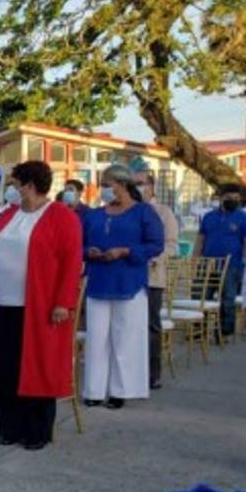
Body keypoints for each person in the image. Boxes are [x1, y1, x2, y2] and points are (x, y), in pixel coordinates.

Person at [0, 160, 82, 450]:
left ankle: (37, 430)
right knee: (6, 368)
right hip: (2, 302)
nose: (13, 189)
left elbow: (72, 263)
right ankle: (9, 427)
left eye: (17, 184)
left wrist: (63, 302)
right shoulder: (8, 216)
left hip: (38, 306)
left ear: (29, 186)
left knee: (36, 367)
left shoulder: (61, 216)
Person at [81, 164, 164, 409]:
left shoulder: (143, 213)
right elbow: (80, 244)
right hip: (98, 282)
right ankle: (94, 390)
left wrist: (126, 251)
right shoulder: (94, 215)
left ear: (122, 184)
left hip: (129, 283)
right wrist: (90, 252)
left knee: (124, 338)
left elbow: (155, 244)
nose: (104, 190)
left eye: (107, 185)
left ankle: (120, 390)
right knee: (96, 338)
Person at [134, 169, 179, 389]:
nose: (138, 187)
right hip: (129, 276)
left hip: (152, 277)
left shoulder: (163, 212)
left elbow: (170, 244)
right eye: (134, 183)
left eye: (141, 183)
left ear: (151, 186)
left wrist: (152, 258)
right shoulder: (128, 211)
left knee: (151, 325)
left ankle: (153, 373)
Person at [194, 183, 246, 339]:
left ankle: (224, 332)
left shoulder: (244, 219)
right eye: (229, 198)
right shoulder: (208, 217)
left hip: (232, 266)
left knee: (228, 299)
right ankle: (198, 330)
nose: (233, 200)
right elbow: (200, 240)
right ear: (221, 198)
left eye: (236, 198)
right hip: (207, 264)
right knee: (201, 296)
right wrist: (194, 260)